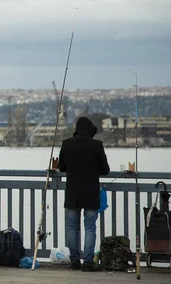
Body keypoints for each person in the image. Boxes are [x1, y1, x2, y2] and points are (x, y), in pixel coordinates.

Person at [58, 116, 110, 272]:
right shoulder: (97, 145)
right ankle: (88, 261)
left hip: (73, 192)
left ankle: (74, 260)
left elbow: (62, 167)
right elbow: (105, 170)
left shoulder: (67, 144)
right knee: (90, 227)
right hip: (90, 192)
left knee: (72, 228)